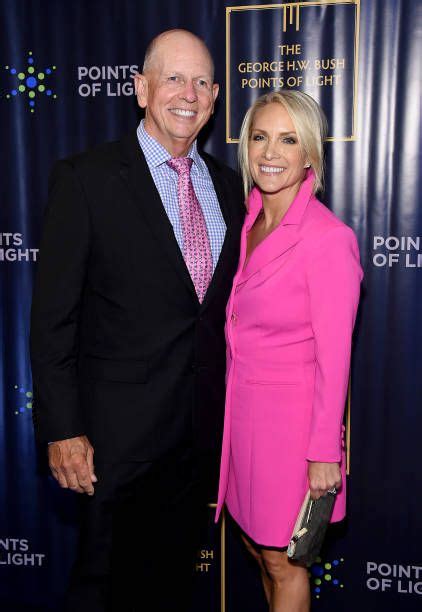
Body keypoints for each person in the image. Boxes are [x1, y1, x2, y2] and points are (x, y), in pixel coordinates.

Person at [30, 29, 244, 612]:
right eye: (174, 78)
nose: (189, 93)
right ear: (141, 88)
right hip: (111, 442)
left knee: (173, 587)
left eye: (202, 82)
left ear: (217, 95)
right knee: (102, 588)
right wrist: (62, 428)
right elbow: (53, 319)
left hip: (197, 440)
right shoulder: (86, 178)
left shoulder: (231, 188)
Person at [215, 91, 363, 611]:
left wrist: (325, 452)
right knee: (258, 551)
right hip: (244, 425)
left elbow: (335, 356)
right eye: (260, 137)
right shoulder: (248, 223)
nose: (271, 152)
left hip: (293, 434)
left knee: (286, 561)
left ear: (309, 156)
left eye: (288, 139)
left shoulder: (327, 239)